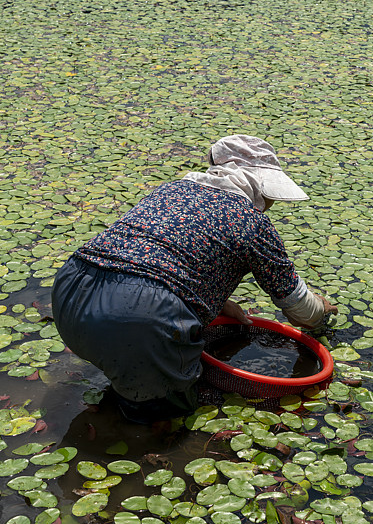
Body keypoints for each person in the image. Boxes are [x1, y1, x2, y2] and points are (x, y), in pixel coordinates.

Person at [51, 135, 338, 422]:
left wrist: (218, 303)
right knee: (164, 413)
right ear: (261, 186)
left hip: (71, 292)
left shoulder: (171, 191)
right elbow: (301, 311)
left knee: (126, 367)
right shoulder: (254, 223)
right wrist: (322, 312)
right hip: (138, 317)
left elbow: (154, 257)